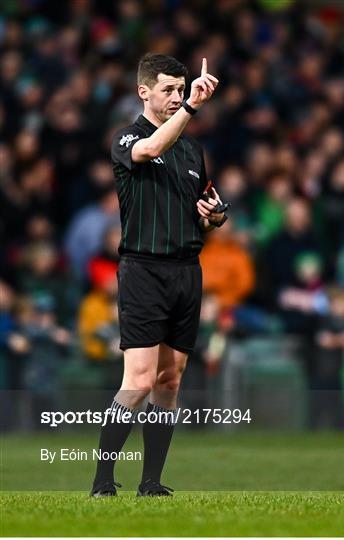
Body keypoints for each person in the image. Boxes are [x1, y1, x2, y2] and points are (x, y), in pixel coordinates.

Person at [90, 53, 227, 497]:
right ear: (143, 91)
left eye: (180, 89)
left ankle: (150, 482)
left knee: (170, 381)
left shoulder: (191, 149)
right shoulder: (128, 136)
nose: (176, 97)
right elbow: (150, 150)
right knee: (140, 381)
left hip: (187, 270)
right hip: (143, 269)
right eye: (168, 89)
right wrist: (191, 108)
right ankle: (102, 481)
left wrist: (213, 216)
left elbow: (202, 207)